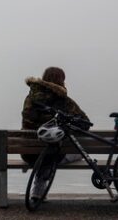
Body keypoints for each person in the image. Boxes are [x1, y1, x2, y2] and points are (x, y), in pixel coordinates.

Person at [21, 66, 90, 201]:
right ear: (61, 81)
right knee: (71, 153)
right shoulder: (63, 100)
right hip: (53, 155)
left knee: (46, 153)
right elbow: (85, 123)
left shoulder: (30, 98)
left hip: (28, 153)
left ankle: (38, 192)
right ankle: (38, 192)